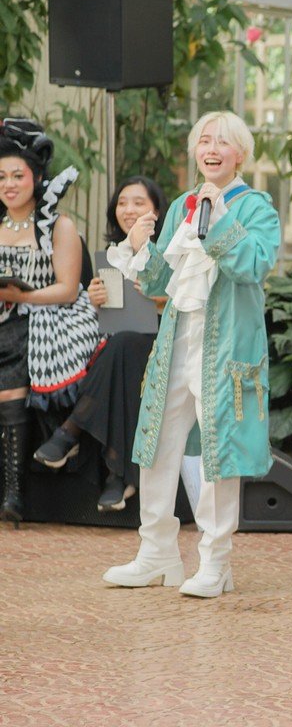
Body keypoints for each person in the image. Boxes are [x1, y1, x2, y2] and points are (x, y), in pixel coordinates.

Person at [102, 111, 280, 598]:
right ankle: (156, 553)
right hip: (177, 339)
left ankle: (215, 563)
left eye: (222, 142)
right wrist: (139, 248)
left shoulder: (256, 207)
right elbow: (160, 283)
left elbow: (255, 265)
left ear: (240, 153)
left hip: (227, 346)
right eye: (204, 141)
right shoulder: (183, 204)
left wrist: (218, 222)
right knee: (157, 442)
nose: (212, 149)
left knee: (220, 451)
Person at [33, 176, 167, 512]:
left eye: (138, 203)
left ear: (156, 211)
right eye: (122, 203)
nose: (128, 210)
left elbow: (191, 301)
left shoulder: (171, 250)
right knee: (121, 348)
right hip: (126, 344)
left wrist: (161, 298)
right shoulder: (112, 255)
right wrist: (97, 300)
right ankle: (117, 477)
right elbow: (115, 319)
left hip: (169, 339)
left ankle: (70, 433)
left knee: (122, 348)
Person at [0, 117, 100, 527]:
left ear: (37, 178)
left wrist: (20, 297)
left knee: (11, 364)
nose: (9, 184)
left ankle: (13, 492)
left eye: (17, 175)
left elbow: (67, 288)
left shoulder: (59, 226)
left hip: (46, 319)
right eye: (1, 177)